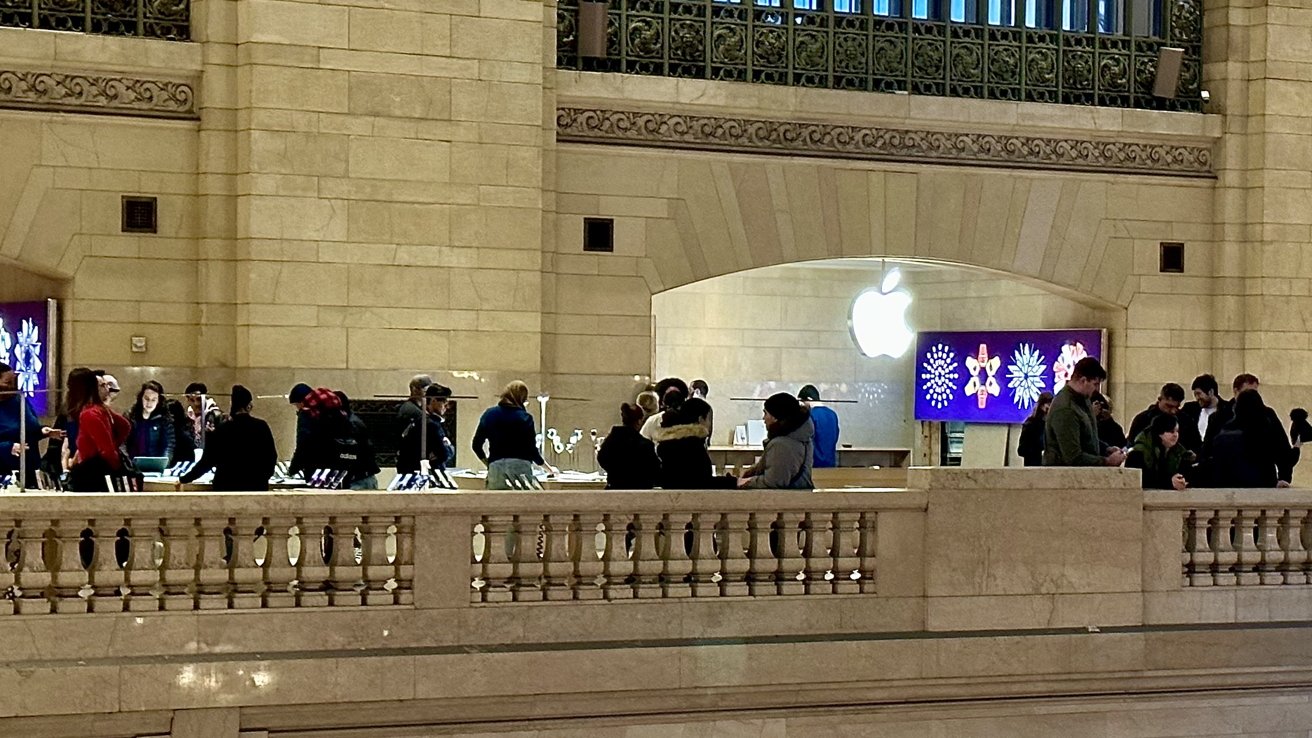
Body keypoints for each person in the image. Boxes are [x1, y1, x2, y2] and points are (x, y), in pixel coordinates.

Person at [180, 385, 278, 491]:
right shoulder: (261, 426)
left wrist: (184, 479)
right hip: (256, 486)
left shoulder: (221, 429)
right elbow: (271, 457)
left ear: (232, 405)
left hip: (226, 487)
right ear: (249, 406)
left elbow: (207, 462)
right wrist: (262, 478)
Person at [472, 380, 554, 490]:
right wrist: (549, 469)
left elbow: (476, 445)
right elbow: (532, 451)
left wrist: (489, 463)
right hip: (521, 469)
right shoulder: (525, 418)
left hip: (496, 468)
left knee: (497, 504)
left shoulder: (489, 414)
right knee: (520, 505)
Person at [1044, 358, 1126, 467]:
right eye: (1095, 384)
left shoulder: (1084, 400)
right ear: (1083, 380)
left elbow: (1086, 437)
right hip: (1065, 477)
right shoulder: (1065, 409)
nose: (1096, 389)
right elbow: (1073, 457)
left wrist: (1106, 449)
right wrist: (1107, 462)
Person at [1206, 389, 1292, 488]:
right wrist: (1284, 478)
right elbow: (1283, 453)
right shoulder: (1266, 430)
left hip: (1229, 488)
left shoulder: (1223, 434)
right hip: (1264, 486)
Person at [67, 369, 131, 491]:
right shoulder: (100, 410)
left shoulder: (90, 413)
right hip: (97, 470)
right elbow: (124, 426)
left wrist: (114, 464)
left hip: (94, 476)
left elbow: (107, 450)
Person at [0, 362, 62, 487]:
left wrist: (43, 431)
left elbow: (30, 427)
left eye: (15, 382)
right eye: (8, 383)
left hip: (28, 465)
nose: (13, 387)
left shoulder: (19, 400)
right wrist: (7, 447)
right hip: (3, 468)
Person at [288, 386, 362, 487]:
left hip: (317, 469)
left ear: (301, 401)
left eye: (296, 404)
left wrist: (293, 469)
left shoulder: (308, 414)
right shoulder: (339, 412)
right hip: (341, 468)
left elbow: (303, 443)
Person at [653, 398, 735, 489]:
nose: (710, 425)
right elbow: (699, 482)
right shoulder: (692, 445)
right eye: (709, 419)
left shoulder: (670, 443)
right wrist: (733, 482)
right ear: (700, 419)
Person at [737, 393, 814, 489]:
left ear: (775, 418)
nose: (763, 418)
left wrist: (747, 481)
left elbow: (774, 481)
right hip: (799, 496)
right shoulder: (801, 437)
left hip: (786, 500)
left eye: (766, 413)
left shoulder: (782, 445)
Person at [597, 402, 660, 490]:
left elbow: (601, 458)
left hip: (615, 488)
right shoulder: (644, 445)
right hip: (639, 491)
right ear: (639, 421)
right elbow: (654, 469)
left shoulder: (611, 441)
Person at [1126, 414, 1195, 490]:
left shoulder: (1180, 452)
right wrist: (1169, 482)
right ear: (1159, 433)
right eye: (1171, 431)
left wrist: (1182, 481)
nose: (1175, 435)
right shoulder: (1138, 454)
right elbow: (1140, 480)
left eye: (1177, 431)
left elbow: (1188, 475)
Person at [398, 383, 453, 474]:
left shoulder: (422, 419)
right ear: (433, 401)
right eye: (444, 401)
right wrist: (447, 446)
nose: (446, 406)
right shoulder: (430, 424)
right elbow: (444, 454)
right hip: (425, 474)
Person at [335, 391, 380, 490]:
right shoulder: (349, 421)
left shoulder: (352, 424)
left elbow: (360, 451)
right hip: (359, 477)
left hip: (360, 479)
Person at [1126, 383, 1190, 449]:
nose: (1173, 411)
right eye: (1169, 406)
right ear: (1160, 399)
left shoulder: (1185, 421)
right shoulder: (1142, 419)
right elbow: (1132, 445)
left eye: (1177, 407)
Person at [127, 381, 175, 463]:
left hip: (155, 464)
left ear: (159, 401)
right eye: (146, 398)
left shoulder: (164, 419)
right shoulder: (130, 416)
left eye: (153, 400)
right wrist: (127, 463)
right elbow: (123, 443)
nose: (149, 403)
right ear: (141, 398)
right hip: (132, 464)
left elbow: (169, 445)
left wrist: (163, 463)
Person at [798, 384, 840, 468]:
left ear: (809, 399)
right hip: (831, 462)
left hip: (814, 463)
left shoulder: (810, 415)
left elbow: (804, 438)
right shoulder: (832, 414)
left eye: (803, 402)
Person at [1179, 374, 1223, 453]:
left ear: (1211, 392)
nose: (1197, 398)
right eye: (1195, 394)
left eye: (1199, 394)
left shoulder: (1227, 410)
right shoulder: (1189, 409)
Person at [1016, 392, 1054, 467]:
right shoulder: (1031, 424)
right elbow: (1022, 449)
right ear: (1041, 406)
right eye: (1048, 405)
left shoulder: (1053, 423)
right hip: (1034, 464)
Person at [185, 382, 226, 449]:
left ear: (205, 397)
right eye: (192, 400)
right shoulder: (187, 417)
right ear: (188, 400)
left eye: (199, 399)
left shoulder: (217, 416)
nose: (196, 403)